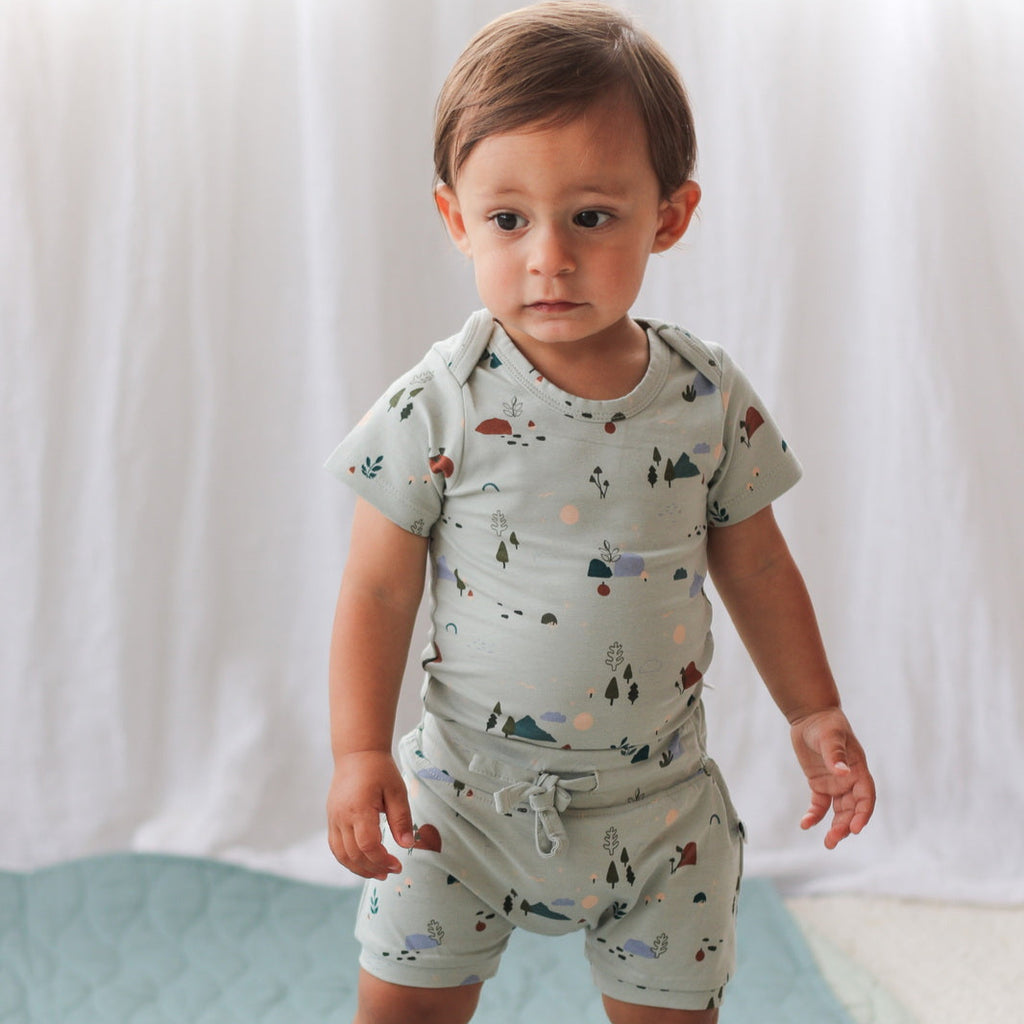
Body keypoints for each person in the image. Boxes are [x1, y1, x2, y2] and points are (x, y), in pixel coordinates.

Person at [324, 3, 875, 1022]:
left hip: (658, 816)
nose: (548, 256)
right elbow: (375, 583)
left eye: (590, 215)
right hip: (460, 804)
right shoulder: (437, 402)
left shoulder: (707, 398)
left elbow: (755, 567)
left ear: (667, 215)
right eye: (507, 219)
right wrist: (359, 752)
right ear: (455, 219)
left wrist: (813, 709)